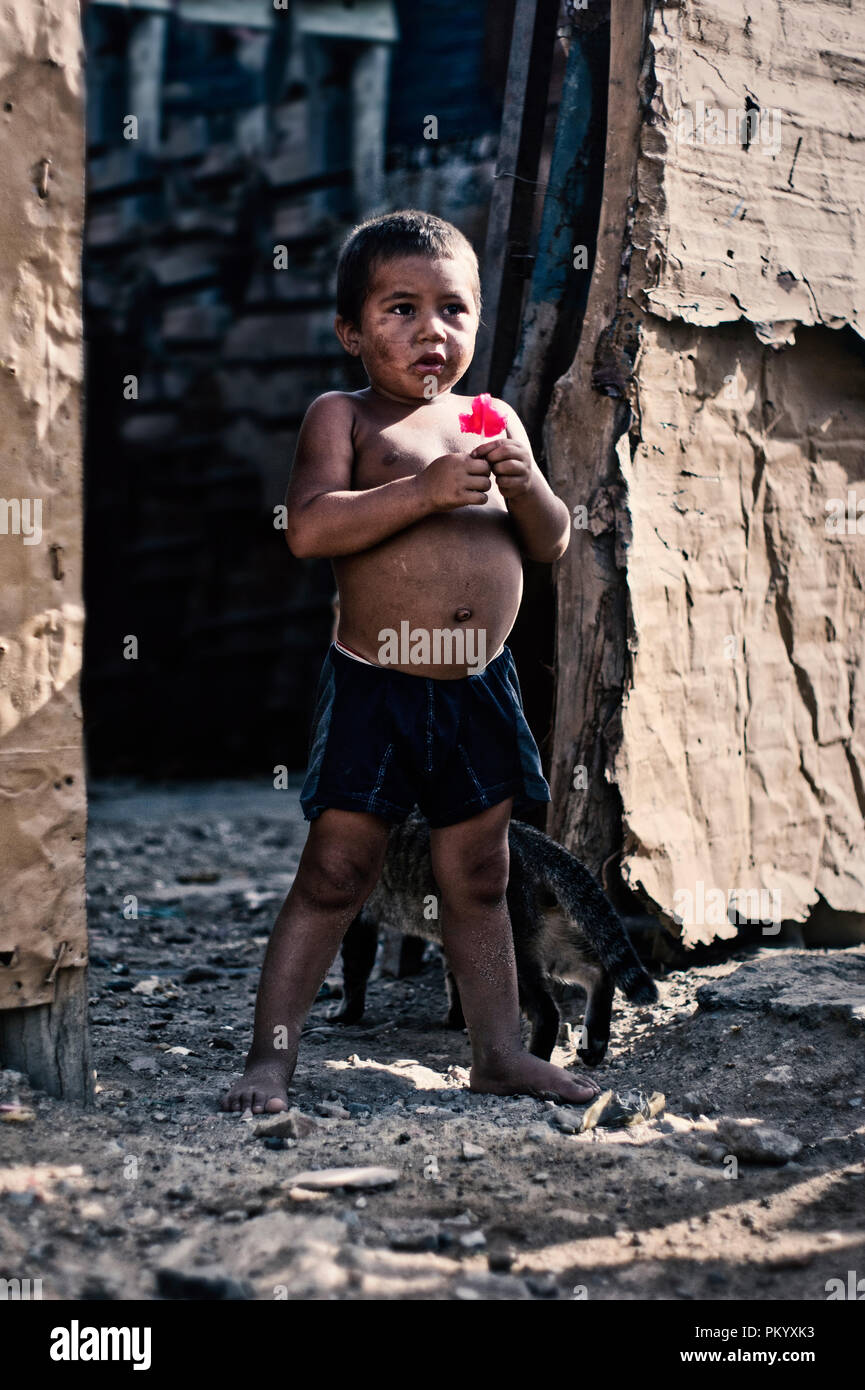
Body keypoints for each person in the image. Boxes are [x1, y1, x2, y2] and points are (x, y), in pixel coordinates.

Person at [221, 210, 601, 1114]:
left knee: (479, 876)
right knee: (335, 875)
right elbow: (311, 528)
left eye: (453, 310)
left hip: (478, 689)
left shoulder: (490, 415)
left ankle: (499, 1053)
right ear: (351, 331)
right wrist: (420, 490)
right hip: (377, 685)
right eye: (400, 309)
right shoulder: (343, 416)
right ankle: (270, 1060)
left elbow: (548, 544)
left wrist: (530, 485)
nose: (431, 330)